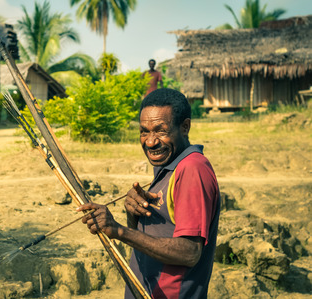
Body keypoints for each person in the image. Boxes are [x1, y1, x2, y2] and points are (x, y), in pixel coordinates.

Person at [77, 88, 220, 298]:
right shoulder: (169, 165)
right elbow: (153, 237)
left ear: (185, 127)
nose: (150, 142)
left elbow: (189, 252)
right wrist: (132, 214)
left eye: (161, 131)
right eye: (144, 131)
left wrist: (117, 230)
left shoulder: (192, 169)